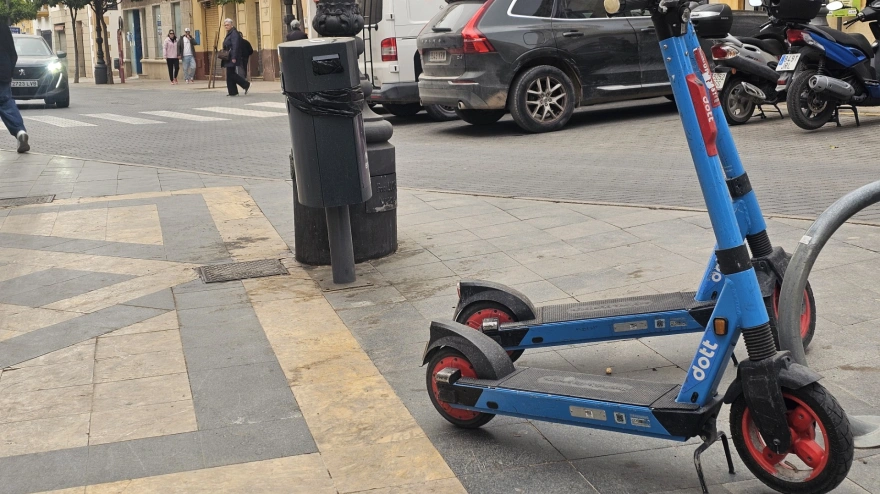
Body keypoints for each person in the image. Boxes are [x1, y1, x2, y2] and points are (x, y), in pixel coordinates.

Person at [0, 23, 28, 153]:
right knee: (6, 102)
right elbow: (13, 53)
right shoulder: (2, 25)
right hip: (3, 71)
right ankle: (19, 131)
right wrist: (9, 72)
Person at [222, 19, 250, 96]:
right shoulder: (230, 33)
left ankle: (245, 84)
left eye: (227, 25)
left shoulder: (234, 33)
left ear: (231, 25)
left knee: (231, 74)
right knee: (230, 74)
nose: (226, 26)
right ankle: (233, 92)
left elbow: (235, 46)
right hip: (229, 56)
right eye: (225, 25)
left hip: (232, 56)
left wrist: (234, 57)